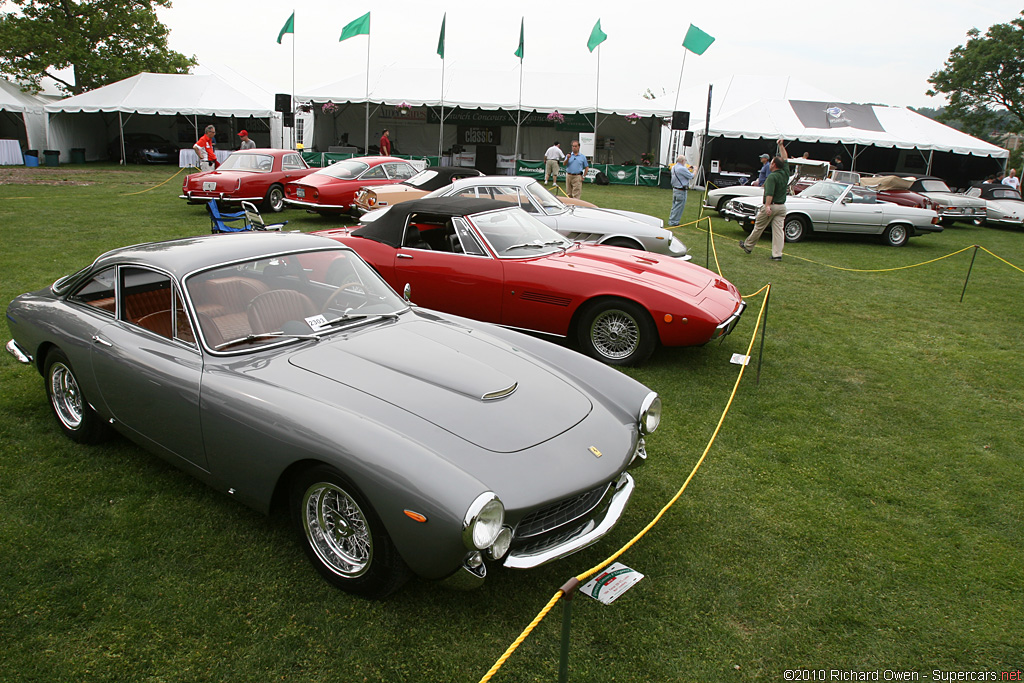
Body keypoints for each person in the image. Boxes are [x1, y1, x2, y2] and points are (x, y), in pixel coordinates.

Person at [739, 139, 790, 261]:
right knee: (778, 231)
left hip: (771, 206)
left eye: (772, 162)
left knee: (759, 227)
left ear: (774, 165)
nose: (770, 164)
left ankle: (748, 246)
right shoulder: (785, 172)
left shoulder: (772, 177)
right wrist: (781, 145)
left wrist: (767, 206)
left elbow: (769, 193)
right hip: (782, 207)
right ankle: (777, 254)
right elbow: (785, 157)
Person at [669, 155, 694, 226]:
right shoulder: (682, 169)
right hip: (681, 190)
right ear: (683, 161)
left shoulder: (673, 167)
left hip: (675, 189)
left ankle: (672, 220)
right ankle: (674, 222)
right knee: (679, 206)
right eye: (685, 161)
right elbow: (691, 176)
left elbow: (681, 172)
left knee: (674, 206)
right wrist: (695, 170)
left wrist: (687, 169)